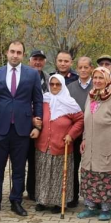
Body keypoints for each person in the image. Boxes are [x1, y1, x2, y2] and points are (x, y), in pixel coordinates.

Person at [0, 40, 44, 217]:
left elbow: (38, 101)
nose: (15, 55)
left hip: (23, 129)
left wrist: (38, 126)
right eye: (12, 51)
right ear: (7, 52)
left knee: (19, 168)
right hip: (0, 128)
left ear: (23, 55)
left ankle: (16, 201)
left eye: (19, 52)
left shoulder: (32, 74)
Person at [78, 67, 111, 221]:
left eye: (101, 78)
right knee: (90, 174)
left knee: (107, 176)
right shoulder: (91, 95)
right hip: (91, 144)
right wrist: (84, 138)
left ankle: (106, 209)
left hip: (109, 144)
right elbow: (88, 120)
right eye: (95, 78)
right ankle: (91, 207)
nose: (97, 81)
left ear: (107, 80)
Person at [34, 74, 84, 213]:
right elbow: (35, 115)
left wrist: (71, 135)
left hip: (62, 145)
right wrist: (34, 122)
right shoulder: (44, 100)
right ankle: (42, 201)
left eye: (58, 84)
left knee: (59, 176)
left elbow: (80, 120)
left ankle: (58, 203)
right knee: (43, 175)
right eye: (52, 84)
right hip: (43, 145)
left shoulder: (70, 103)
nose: (55, 87)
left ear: (62, 86)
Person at [66, 56, 93, 208]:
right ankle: (73, 197)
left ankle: (91, 197)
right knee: (73, 166)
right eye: (80, 67)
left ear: (91, 69)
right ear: (77, 68)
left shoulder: (97, 87)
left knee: (90, 168)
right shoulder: (70, 87)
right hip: (75, 134)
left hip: (92, 134)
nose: (83, 70)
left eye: (86, 67)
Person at [25, 49, 48, 200]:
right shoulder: (23, 76)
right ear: (30, 61)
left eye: (40, 59)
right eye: (35, 59)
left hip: (42, 125)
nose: (38, 62)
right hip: (24, 122)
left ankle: (34, 190)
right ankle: (21, 189)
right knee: (22, 158)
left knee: (37, 160)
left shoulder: (49, 78)